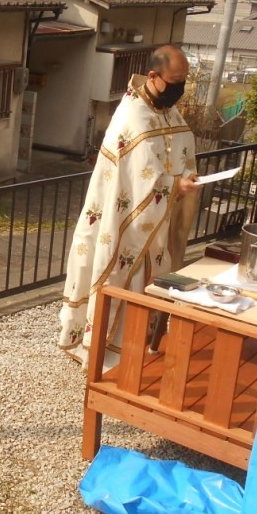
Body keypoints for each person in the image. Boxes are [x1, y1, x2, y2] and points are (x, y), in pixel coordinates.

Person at [57, 44, 201, 366]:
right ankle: (106, 353)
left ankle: (136, 348)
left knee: (151, 278)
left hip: (157, 223)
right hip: (123, 220)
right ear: (153, 76)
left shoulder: (167, 110)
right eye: (174, 82)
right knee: (120, 276)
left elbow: (181, 145)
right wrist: (175, 186)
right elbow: (139, 175)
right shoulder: (132, 116)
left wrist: (186, 176)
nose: (179, 89)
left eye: (183, 81)